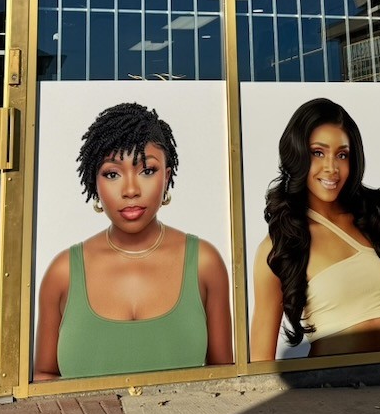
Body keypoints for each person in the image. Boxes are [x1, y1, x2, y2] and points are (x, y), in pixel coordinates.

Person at [33, 102, 233, 380]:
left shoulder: (205, 263)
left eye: (147, 170)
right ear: (95, 181)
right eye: (112, 174)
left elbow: (224, 379)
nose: (130, 190)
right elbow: (44, 376)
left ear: (168, 175)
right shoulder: (62, 273)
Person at [250, 98, 380, 360]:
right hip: (329, 394)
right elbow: (261, 361)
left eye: (342, 155)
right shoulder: (280, 246)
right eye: (318, 152)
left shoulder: (371, 221)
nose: (332, 168)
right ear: (298, 155)